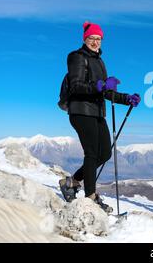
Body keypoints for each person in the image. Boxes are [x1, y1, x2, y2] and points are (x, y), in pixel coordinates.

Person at [59, 22, 141, 213]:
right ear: (85, 39)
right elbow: (76, 86)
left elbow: (106, 93)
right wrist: (100, 86)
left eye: (98, 39)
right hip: (80, 111)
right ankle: (90, 197)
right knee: (92, 153)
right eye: (92, 38)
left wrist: (126, 98)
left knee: (105, 153)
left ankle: (71, 182)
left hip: (96, 112)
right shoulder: (76, 57)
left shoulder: (100, 61)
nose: (95, 42)